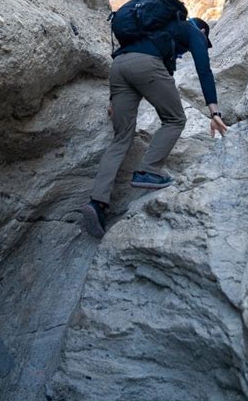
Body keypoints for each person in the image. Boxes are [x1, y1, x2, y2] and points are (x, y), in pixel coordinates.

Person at [82, 15, 227, 237]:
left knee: (121, 137)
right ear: (203, 31)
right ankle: (147, 171)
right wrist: (214, 112)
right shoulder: (192, 29)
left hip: (118, 67)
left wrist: (113, 99)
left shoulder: (159, 31)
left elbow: (142, 69)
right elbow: (203, 70)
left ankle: (97, 203)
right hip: (145, 66)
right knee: (175, 119)